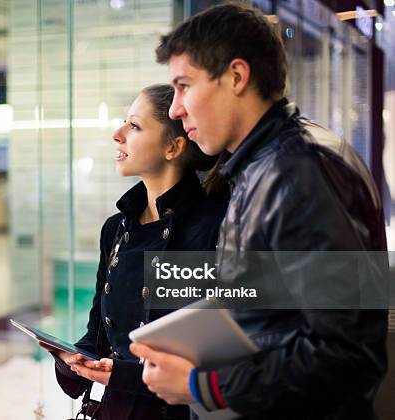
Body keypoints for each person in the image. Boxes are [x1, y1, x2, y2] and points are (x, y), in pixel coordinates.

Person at [129, 3, 389, 420]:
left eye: (184, 85)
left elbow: (349, 355)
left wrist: (204, 386)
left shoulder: (300, 173)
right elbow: (275, 320)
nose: (176, 109)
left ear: (236, 76)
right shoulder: (259, 168)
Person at [41, 83, 228, 420]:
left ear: (173, 147)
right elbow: (98, 336)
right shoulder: (116, 229)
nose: (118, 134)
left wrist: (124, 375)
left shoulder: (215, 228)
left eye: (135, 126)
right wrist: (73, 361)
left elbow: (214, 363)